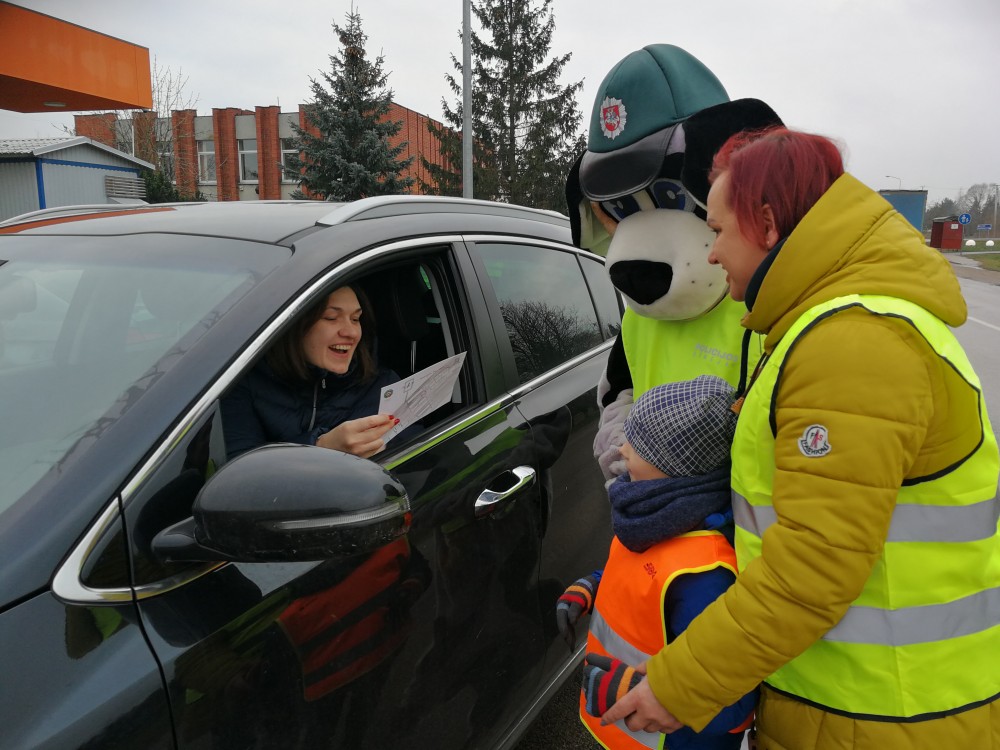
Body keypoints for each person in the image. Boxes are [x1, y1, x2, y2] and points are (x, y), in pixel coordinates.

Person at [600, 126, 1000, 748]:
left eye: (718, 231)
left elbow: (813, 568)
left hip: (884, 713)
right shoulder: (825, 324)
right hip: (856, 700)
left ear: (766, 225)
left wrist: (679, 687)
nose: (712, 253)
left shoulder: (853, 344)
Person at [558, 375, 755, 750]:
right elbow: (643, 575)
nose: (622, 450)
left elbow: (737, 701)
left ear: (676, 468)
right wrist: (593, 585)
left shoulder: (706, 577)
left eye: (639, 445)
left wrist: (639, 688)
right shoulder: (655, 517)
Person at [221, 285, 402, 460]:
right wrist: (321, 448)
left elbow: (410, 456)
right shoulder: (242, 384)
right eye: (331, 318)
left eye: (355, 319)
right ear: (292, 325)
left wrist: (381, 449)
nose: (351, 333)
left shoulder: (382, 383)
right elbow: (238, 470)